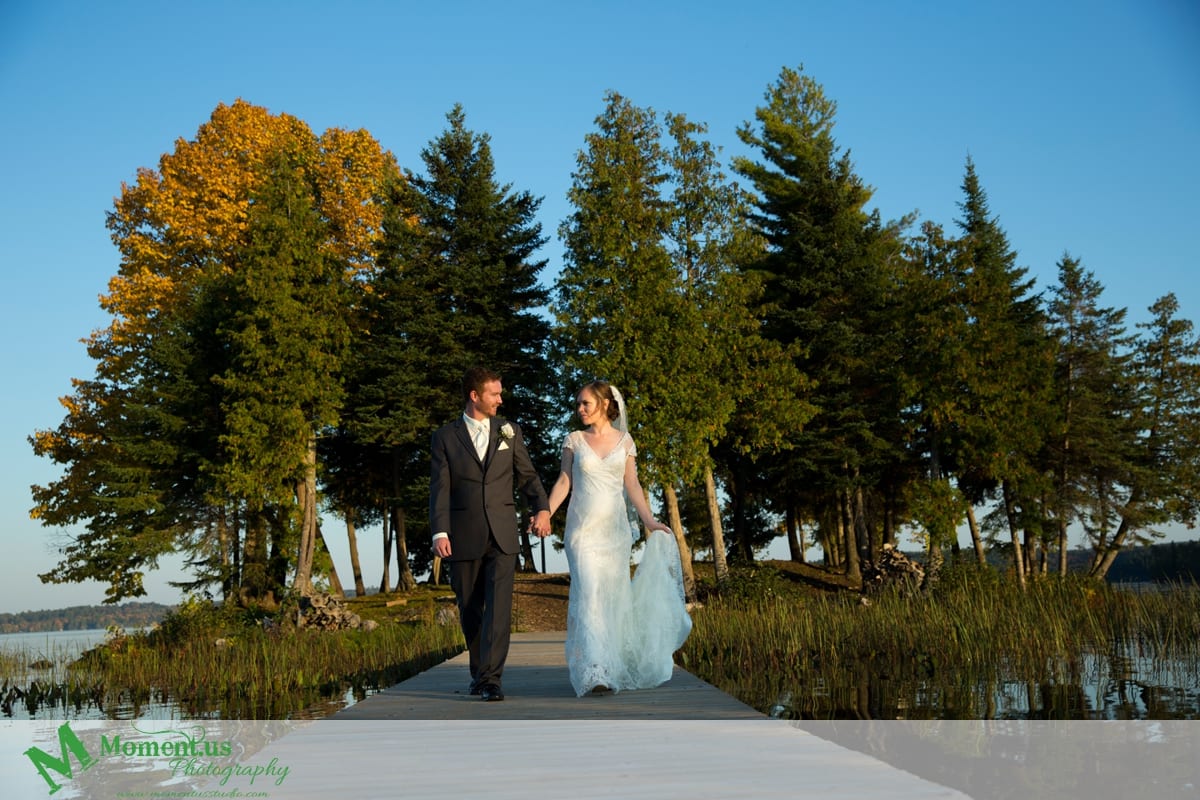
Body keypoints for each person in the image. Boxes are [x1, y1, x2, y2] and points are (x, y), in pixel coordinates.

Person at [546, 380, 692, 696]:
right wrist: (545, 512)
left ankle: (610, 664)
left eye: (585, 403)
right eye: (578, 404)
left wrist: (650, 521)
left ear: (603, 404)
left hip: (614, 533)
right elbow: (563, 482)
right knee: (590, 594)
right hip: (582, 532)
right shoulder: (573, 440)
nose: (580, 409)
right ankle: (595, 670)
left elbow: (633, 485)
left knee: (612, 597)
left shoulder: (625, 442)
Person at [430, 367, 551, 702]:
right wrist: (440, 531)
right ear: (475, 396)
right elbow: (440, 489)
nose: (501, 399)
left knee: (499, 610)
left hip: (502, 535)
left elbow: (527, 475)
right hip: (462, 535)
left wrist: (541, 507)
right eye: (494, 394)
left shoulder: (510, 432)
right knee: (470, 610)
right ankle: (479, 672)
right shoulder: (445, 437)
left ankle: (491, 680)